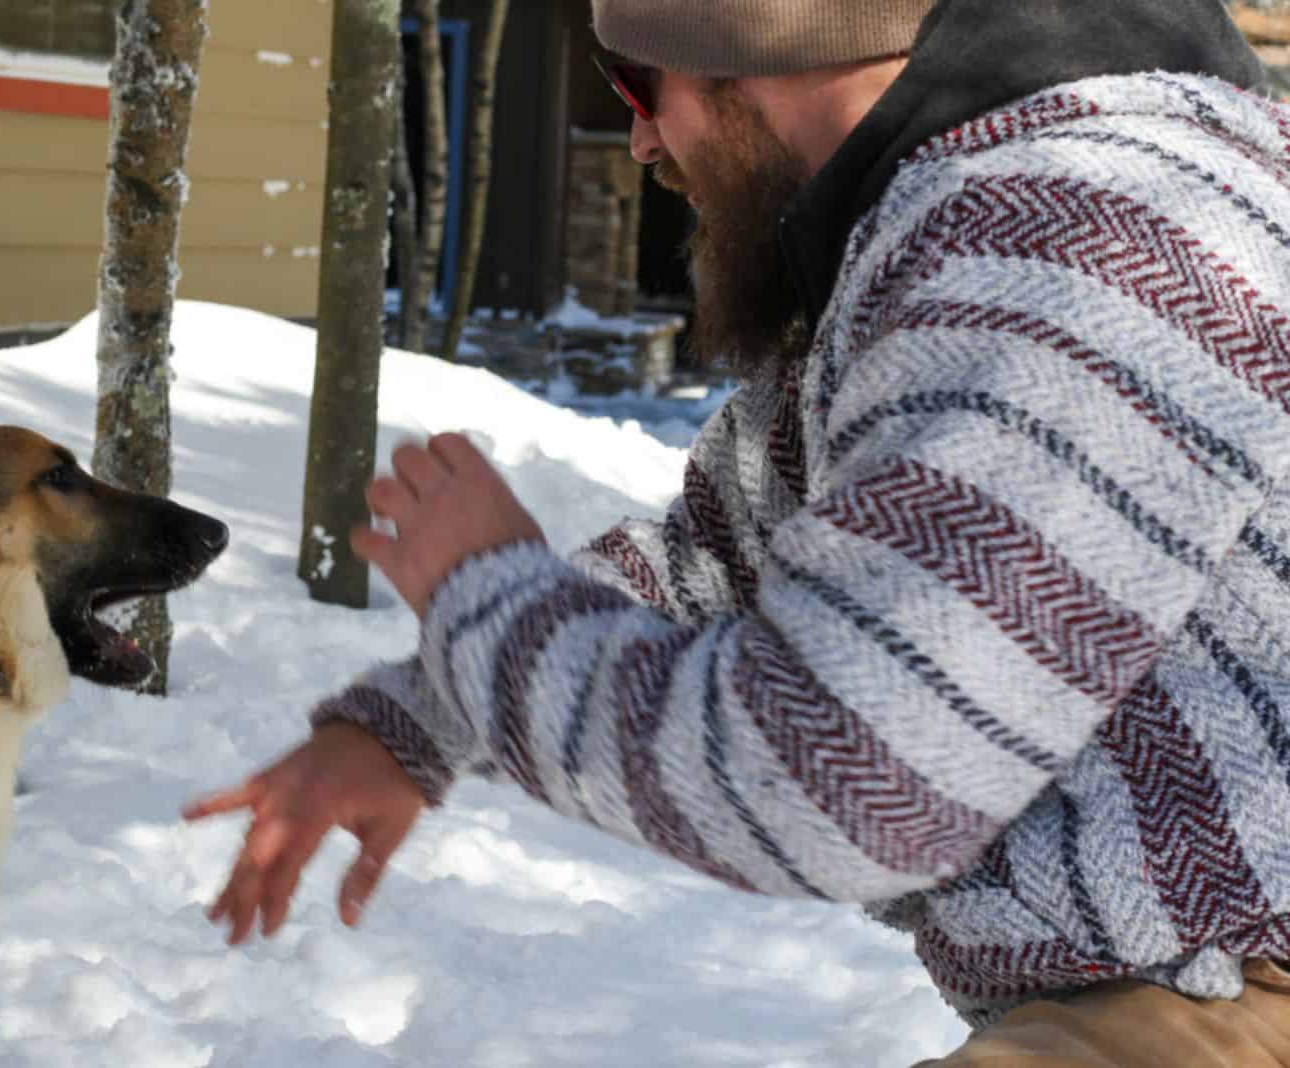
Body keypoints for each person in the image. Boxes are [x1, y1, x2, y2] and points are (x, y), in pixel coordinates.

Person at [186, 0, 1290, 1062]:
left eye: (638, 81)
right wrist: (413, 718)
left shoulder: (1072, 239)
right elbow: (716, 559)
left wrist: (493, 598)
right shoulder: (958, 220)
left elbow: (851, 778)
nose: (637, 142)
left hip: (1235, 988)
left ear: (748, 45)